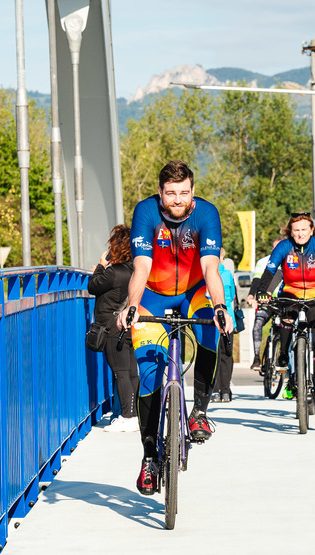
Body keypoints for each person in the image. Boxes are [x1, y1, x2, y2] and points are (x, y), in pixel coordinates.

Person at [119, 160, 233, 496]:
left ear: (193, 191)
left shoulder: (206, 214)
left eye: (184, 192)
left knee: (212, 330)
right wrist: (130, 307)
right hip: (152, 294)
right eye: (171, 193)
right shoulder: (146, 212)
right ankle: (149, 457)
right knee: (151, 373)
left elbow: (212, 268)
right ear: (160, 192)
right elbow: (141, 266)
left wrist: (221, 307)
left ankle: (199, 411)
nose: (178, 199)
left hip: (195, 290)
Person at [256, 212, 315, 413]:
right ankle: (283, 354)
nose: (300, 234)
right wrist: (263, 291)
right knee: (286, 321)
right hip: (291, 294)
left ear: (311, 230)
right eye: (296, 230)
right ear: (290, 231)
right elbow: (270, 270)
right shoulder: (283, 247)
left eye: (304, 230)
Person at [88, 225, 139, 432]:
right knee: (131, 371)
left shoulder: (114, 273)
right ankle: (134, 414)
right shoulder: (136, 272)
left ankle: (127, 416)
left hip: (112, 326)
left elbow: (92, 286)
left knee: (120, 372)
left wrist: (101, 265)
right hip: (130, 323)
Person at [247, 237, 283, 371]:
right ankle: (256, 357)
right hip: (266, 301)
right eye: (275, 248)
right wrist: (251, 296)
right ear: (272, 249)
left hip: (284, 301)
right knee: (257, 324)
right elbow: (257, 280)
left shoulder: (290, 260)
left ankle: (283, 357)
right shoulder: (263, 262)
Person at [211, 248, 238, 402]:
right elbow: (233, 295)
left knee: (213, 355)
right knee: (227, 355)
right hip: (228, 320)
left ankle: (214, 391)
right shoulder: (227, 274)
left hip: (210, 319)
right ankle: (226, 392)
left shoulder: (205, 275)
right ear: (223, 257)